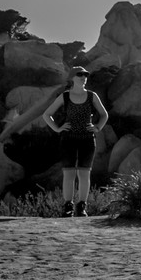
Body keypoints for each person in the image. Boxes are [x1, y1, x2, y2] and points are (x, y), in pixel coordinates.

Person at [41, 66, 109, 217]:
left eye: (85, 75)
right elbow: (47, 115)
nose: (84, 77)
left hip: (87, 140)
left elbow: (104, 115)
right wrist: (58, 129)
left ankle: (82, 207)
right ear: (72, 78)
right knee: (69, 174)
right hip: (68, 140)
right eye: (80, 75)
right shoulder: (65, 96)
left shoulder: (92, 96)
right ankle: (68, 206)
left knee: (84, 175)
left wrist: (97, 127)